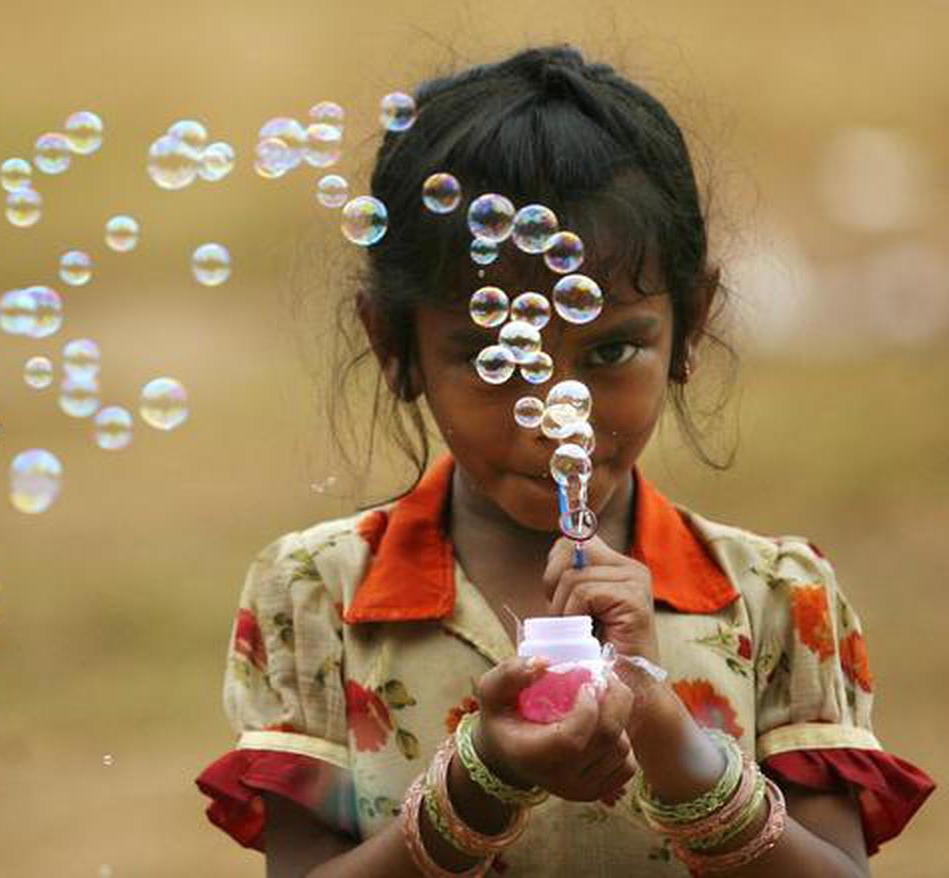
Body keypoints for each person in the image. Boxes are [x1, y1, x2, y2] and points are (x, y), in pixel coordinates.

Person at [196, 45, 934, 876]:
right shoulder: (320, 597)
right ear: (393, 344)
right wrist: (478, 787)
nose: (558, 416)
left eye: (611, 350)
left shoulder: (775, 603)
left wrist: (671, 737)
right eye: (490, 356)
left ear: (689, 327)